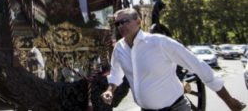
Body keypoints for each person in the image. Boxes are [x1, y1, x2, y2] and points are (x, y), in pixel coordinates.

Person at [101, 8, 246, 111]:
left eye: (124, 21)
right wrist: (110, 90)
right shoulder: (119, 49)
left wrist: (228, 100)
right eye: (117, 24)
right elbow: (116, 75)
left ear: (138, 21)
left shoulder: (160, 43)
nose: (120, 26)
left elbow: (199, 67)